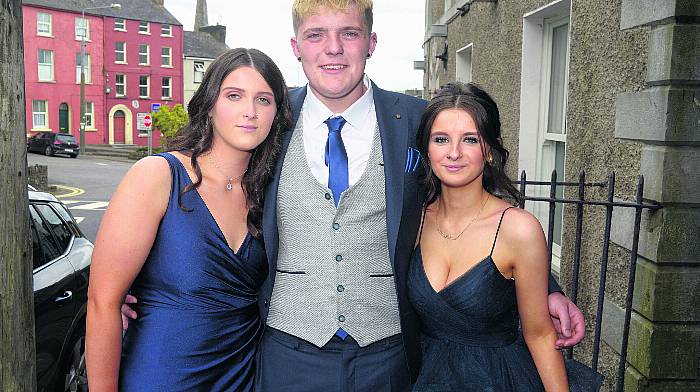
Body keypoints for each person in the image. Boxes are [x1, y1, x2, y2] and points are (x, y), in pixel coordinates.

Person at [122, 1, 586, 390]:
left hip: (388, 356)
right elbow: (209, 198)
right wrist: (138, 283)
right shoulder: (267, 121)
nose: (333, 49)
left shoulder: (418, 122)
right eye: (316, 34)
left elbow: (475, 207)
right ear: (296, 47)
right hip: (286, 352)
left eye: (349, 33)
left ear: (371, 42)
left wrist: (545, 288)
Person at [86, 48, 291, 391]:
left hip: (242, 377)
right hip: (163, 377)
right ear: (210, 105)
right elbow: (102, 303)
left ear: (276, 113)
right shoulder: (158, 176)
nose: (250, 112)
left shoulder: (270, 194)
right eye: (234, 95)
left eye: (264, 100)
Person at [408, 82, 568, 391]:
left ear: (489, 151)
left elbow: (541, 335)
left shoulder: (518, 229)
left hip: (498, 379)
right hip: (426, 377)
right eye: (441, 139)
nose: (454, 153)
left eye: (470, 139)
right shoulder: (413, 221)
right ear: (427, 149)